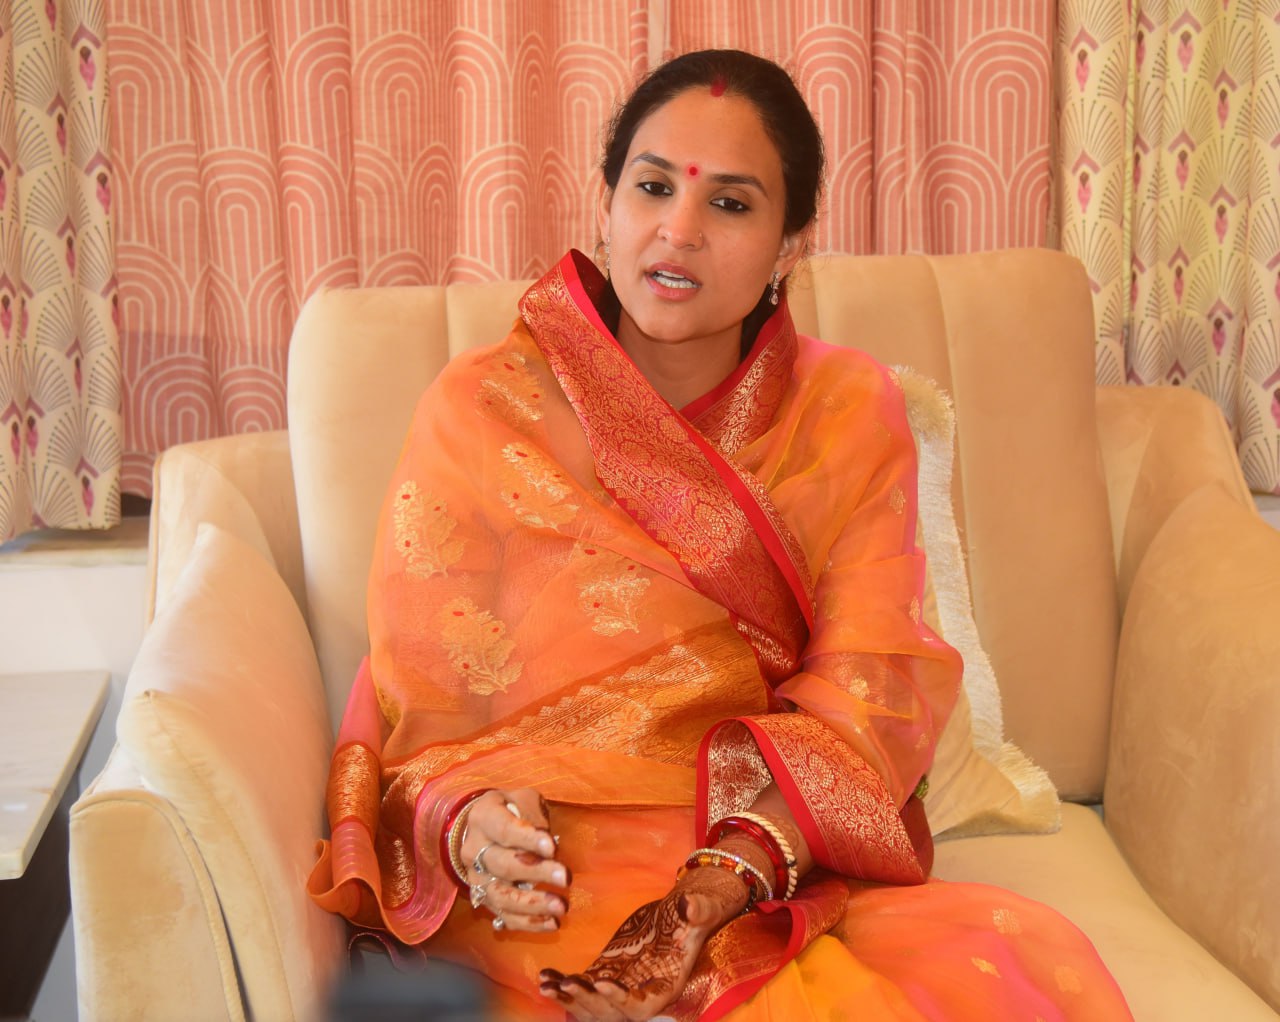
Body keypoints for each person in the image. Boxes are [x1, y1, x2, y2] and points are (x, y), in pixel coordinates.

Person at [309, 49, 1132, 1021]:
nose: (679, 230)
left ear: (789, 245)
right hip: (539, 875)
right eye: (653, 186)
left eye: (731, 204)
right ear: (607, 204)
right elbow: (420, 701)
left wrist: (713, 888)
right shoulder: (486, 405)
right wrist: (474, 828)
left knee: (1009, 969)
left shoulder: (840, 409)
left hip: (746, 852)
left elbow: (870, 684)